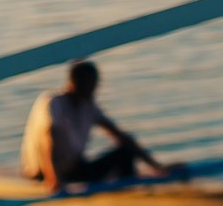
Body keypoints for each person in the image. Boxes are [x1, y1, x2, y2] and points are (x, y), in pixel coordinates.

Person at [20, 60, 167, 191]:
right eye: (88, 84)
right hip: (43, 172)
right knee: (59, 145)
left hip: (73, 169)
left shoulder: (88, 107)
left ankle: (128, 194)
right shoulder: (54, 102)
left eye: (94, 84)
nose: (93, 89)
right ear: (73, 83)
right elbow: (49, 139)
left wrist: (157, 166)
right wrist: (53, 178)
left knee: (125, 152)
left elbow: (121, 136)